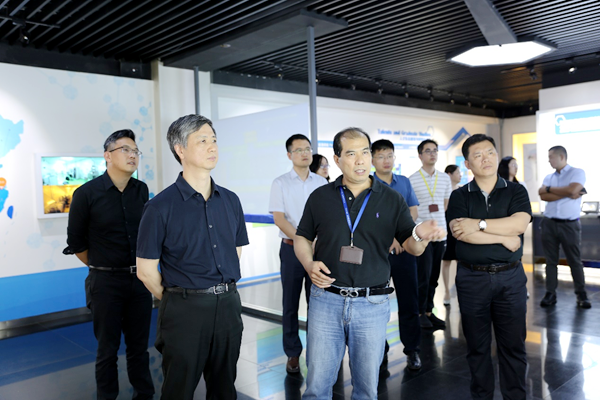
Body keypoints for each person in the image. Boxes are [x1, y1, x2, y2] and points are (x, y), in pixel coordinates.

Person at [294, 127, 446, 399]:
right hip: (326, 299)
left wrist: (420, 235)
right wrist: (308, 263)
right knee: (317, 388)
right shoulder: (321, 196)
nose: (360, 160)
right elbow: (302, 237)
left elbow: (412, 246)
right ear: (338, 159)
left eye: (365, 152)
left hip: (371, 303)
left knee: (366, 390)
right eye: (351, 153)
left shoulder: (392, 198)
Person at [136, 115, 249, 399]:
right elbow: (146, 271)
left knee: (225, 388)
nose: (212, 147)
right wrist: (180, 297)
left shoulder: (231, 200)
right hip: (184, 310)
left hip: (228, 305)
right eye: (202, 141)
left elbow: (235, 251)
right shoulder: (159, 207)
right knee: (179, 389)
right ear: (180, 150)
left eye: (214, 140)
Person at [64, 129, 154, 400]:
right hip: (105, 283)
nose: (132, 155)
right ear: (107, 156)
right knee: (107, 350)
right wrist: (102, 266)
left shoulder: (141, 190)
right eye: (125, 150)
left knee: (139, 348)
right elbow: (76, 243)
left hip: (139, 281)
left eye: (135, 151)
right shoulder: (86, 193)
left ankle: (144, 395)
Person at [447, 134, 531, 400]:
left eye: (490, 152)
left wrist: (479, 224)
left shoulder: (516, 190)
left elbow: (519, 224)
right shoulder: (459, 195)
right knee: (477, 348)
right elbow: (461, 233)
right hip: (472, 278)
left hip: (511, 278)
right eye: (478, 155)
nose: (486, 159)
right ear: (467, 164)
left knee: (514, 347)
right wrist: (504, 237)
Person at [269, 134, 328, 373]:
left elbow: (328, 218)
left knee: (318, 303)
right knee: (290, 303)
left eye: (308, 149)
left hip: (319, 251)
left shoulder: (321, 183)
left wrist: (316, 242)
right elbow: (279, 219)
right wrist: (303, 241)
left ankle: (319, 350)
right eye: (299, 150)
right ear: (289, 155)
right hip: (291, 250)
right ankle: (293, 353)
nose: (305, 153)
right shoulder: (280, 183)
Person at [371, 139, 422, 370]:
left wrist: (400, 238)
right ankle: (379, 352)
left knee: (409, 300)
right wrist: (390, 238)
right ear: (372, 159)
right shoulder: (367, 184)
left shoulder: (404, 182)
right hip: (377, 253)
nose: (386, 160)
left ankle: (412, 350)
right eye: (381, 156)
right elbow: (368, 218)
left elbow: (413, 211)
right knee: (376, 303)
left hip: (404, 250)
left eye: (389, 155)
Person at [538, 146, 591, 309]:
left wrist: (550, 190)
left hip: (569, 225)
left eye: (551, 157)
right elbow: (542, 195)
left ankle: (581, 294)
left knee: (574, 261)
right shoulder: (549, 177)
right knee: (550, 261)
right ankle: (550, 293)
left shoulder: (577, 172)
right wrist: (567, 192)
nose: (549, 160)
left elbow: (573, 189)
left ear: (561, 157)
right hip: (549, 223)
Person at [409, 139, 452, 329]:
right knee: (423, 276)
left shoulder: (444, 178)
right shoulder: (412, 180)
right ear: (420, 155)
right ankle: (419, 313)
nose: (432, 154)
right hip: (422, 236)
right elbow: (411, 209)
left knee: (434, 277)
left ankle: (428, 311)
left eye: (435, 150)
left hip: (440, 234)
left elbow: (445, 205)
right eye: (428, 151)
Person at [441, 164, 462, 306]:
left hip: (459, 230)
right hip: (446, 230)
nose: (460, 175)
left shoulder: (461, 191)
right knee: (446, 261)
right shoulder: (443, 191)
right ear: (449, 174)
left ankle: (461, 289)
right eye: (457, 172)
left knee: (461, 261)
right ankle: (447, 291)